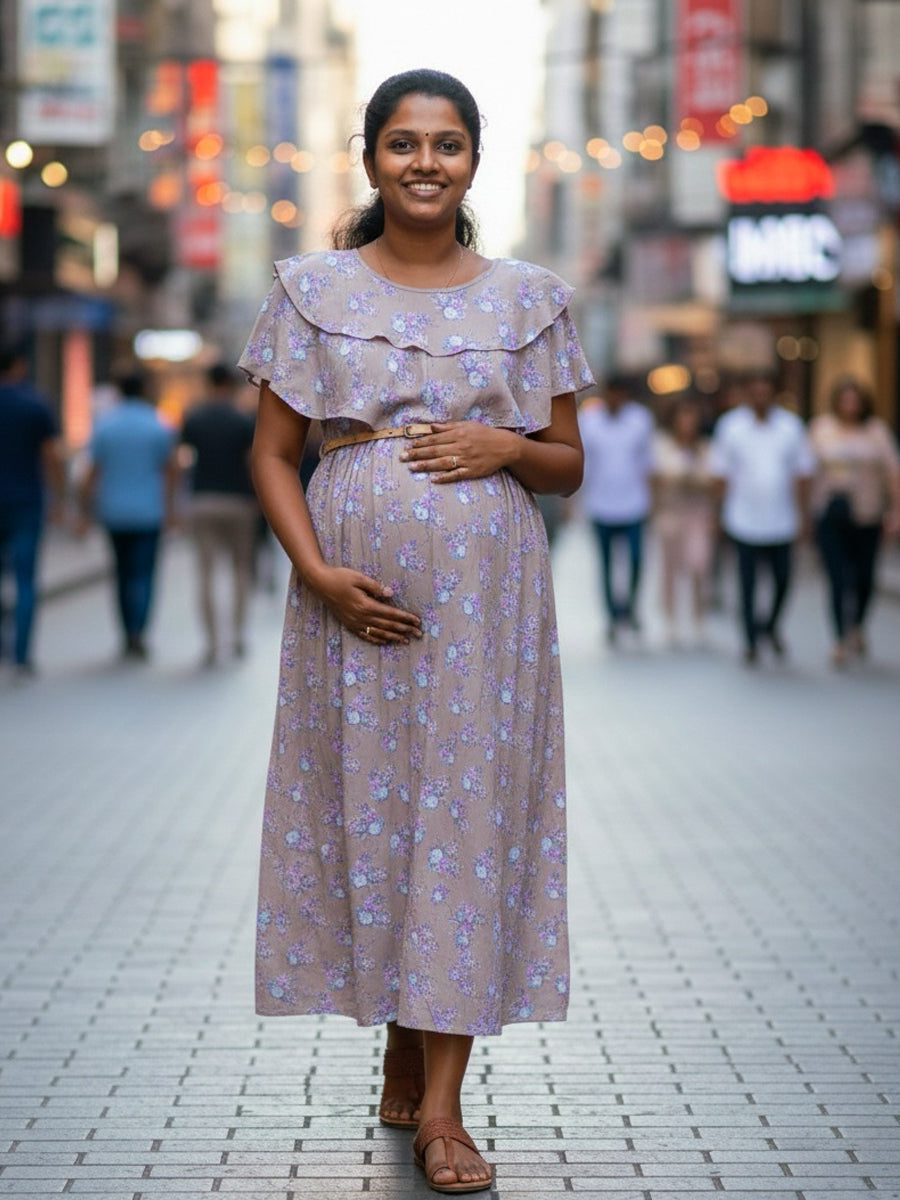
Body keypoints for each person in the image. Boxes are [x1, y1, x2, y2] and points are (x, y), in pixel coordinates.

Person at [238, 68, 593, 1195]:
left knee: (464, 818)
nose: (425, 163)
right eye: (403, 143)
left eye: (446, 144)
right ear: (371, 159)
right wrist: (318, 574)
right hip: (352, 606)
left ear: (474, 161)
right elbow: (271, 454)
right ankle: (402, 1028)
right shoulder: (311, 289)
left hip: (490, 610)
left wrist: (508, 448)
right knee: (380, 813)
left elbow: (569, 465)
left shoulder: (531, 298)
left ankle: (443, 1108)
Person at [709, 369, 815, 665]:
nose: (760, 398)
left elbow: (802, 474)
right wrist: (717, 514)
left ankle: (769, 625)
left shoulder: (790, 426)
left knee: (783, 579)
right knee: (747, 583)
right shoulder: (731, 426)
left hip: (782, 519)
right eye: (755, 392)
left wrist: (804, 516)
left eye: (765, 392)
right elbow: (720, 473)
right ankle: (750, 639)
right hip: (743, 518)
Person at [79, 369, 178, 660]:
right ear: (143, 390)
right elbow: (170, 471)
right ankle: (139, 631)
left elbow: (92, 472)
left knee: (121, 573)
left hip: (114, 512)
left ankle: (126, 631)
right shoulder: (158, 425)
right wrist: (171, 509)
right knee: (144, 574)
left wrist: (84, 510)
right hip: (149, 512)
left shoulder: (104, 425)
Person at [809, 376, 900, 667]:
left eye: (855, 400)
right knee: (837, 578)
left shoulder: (876, 432)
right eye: (845, 400)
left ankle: (856, 625)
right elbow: (805, 471)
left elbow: (892, 473)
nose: (850, 406)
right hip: (831, 514)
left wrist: (895, 510)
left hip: (867, 514)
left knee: (864, 577)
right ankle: (839, 639)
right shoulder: (822, 429)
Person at [180, 364, 258, 665]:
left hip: (203, 500)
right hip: (239, 501)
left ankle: (211, 642)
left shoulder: (194, 418)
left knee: (205, 573)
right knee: (241, 569)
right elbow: (252, 463)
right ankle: (237, 636)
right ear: (230, 384)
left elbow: (182, 459)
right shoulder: (242, 420)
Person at [0, 342, 65, 676]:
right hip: (26, 502)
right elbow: (51, 456)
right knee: (25, 580)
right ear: (19, 365)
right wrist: (59, 499)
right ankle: (21, 654)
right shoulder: (35, 404)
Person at [577, 376, 654, 644]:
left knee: (635, 560)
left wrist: (653, 501)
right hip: (600, 504)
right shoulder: (589, 421)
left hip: (634, 503)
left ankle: (629, 607)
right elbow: (583, 463)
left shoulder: (640, 420)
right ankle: (611, 616)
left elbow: (648, 462)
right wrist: (573, 502)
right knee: (606, 565)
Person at [651, 396, 716, 646]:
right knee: (669, 569)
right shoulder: (662, 445)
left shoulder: (705, 448)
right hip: (671, 512)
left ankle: (699, 618)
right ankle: (670, 619)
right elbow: (656, 478)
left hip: (698, 514)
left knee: (699, 565)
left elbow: (713, 482)